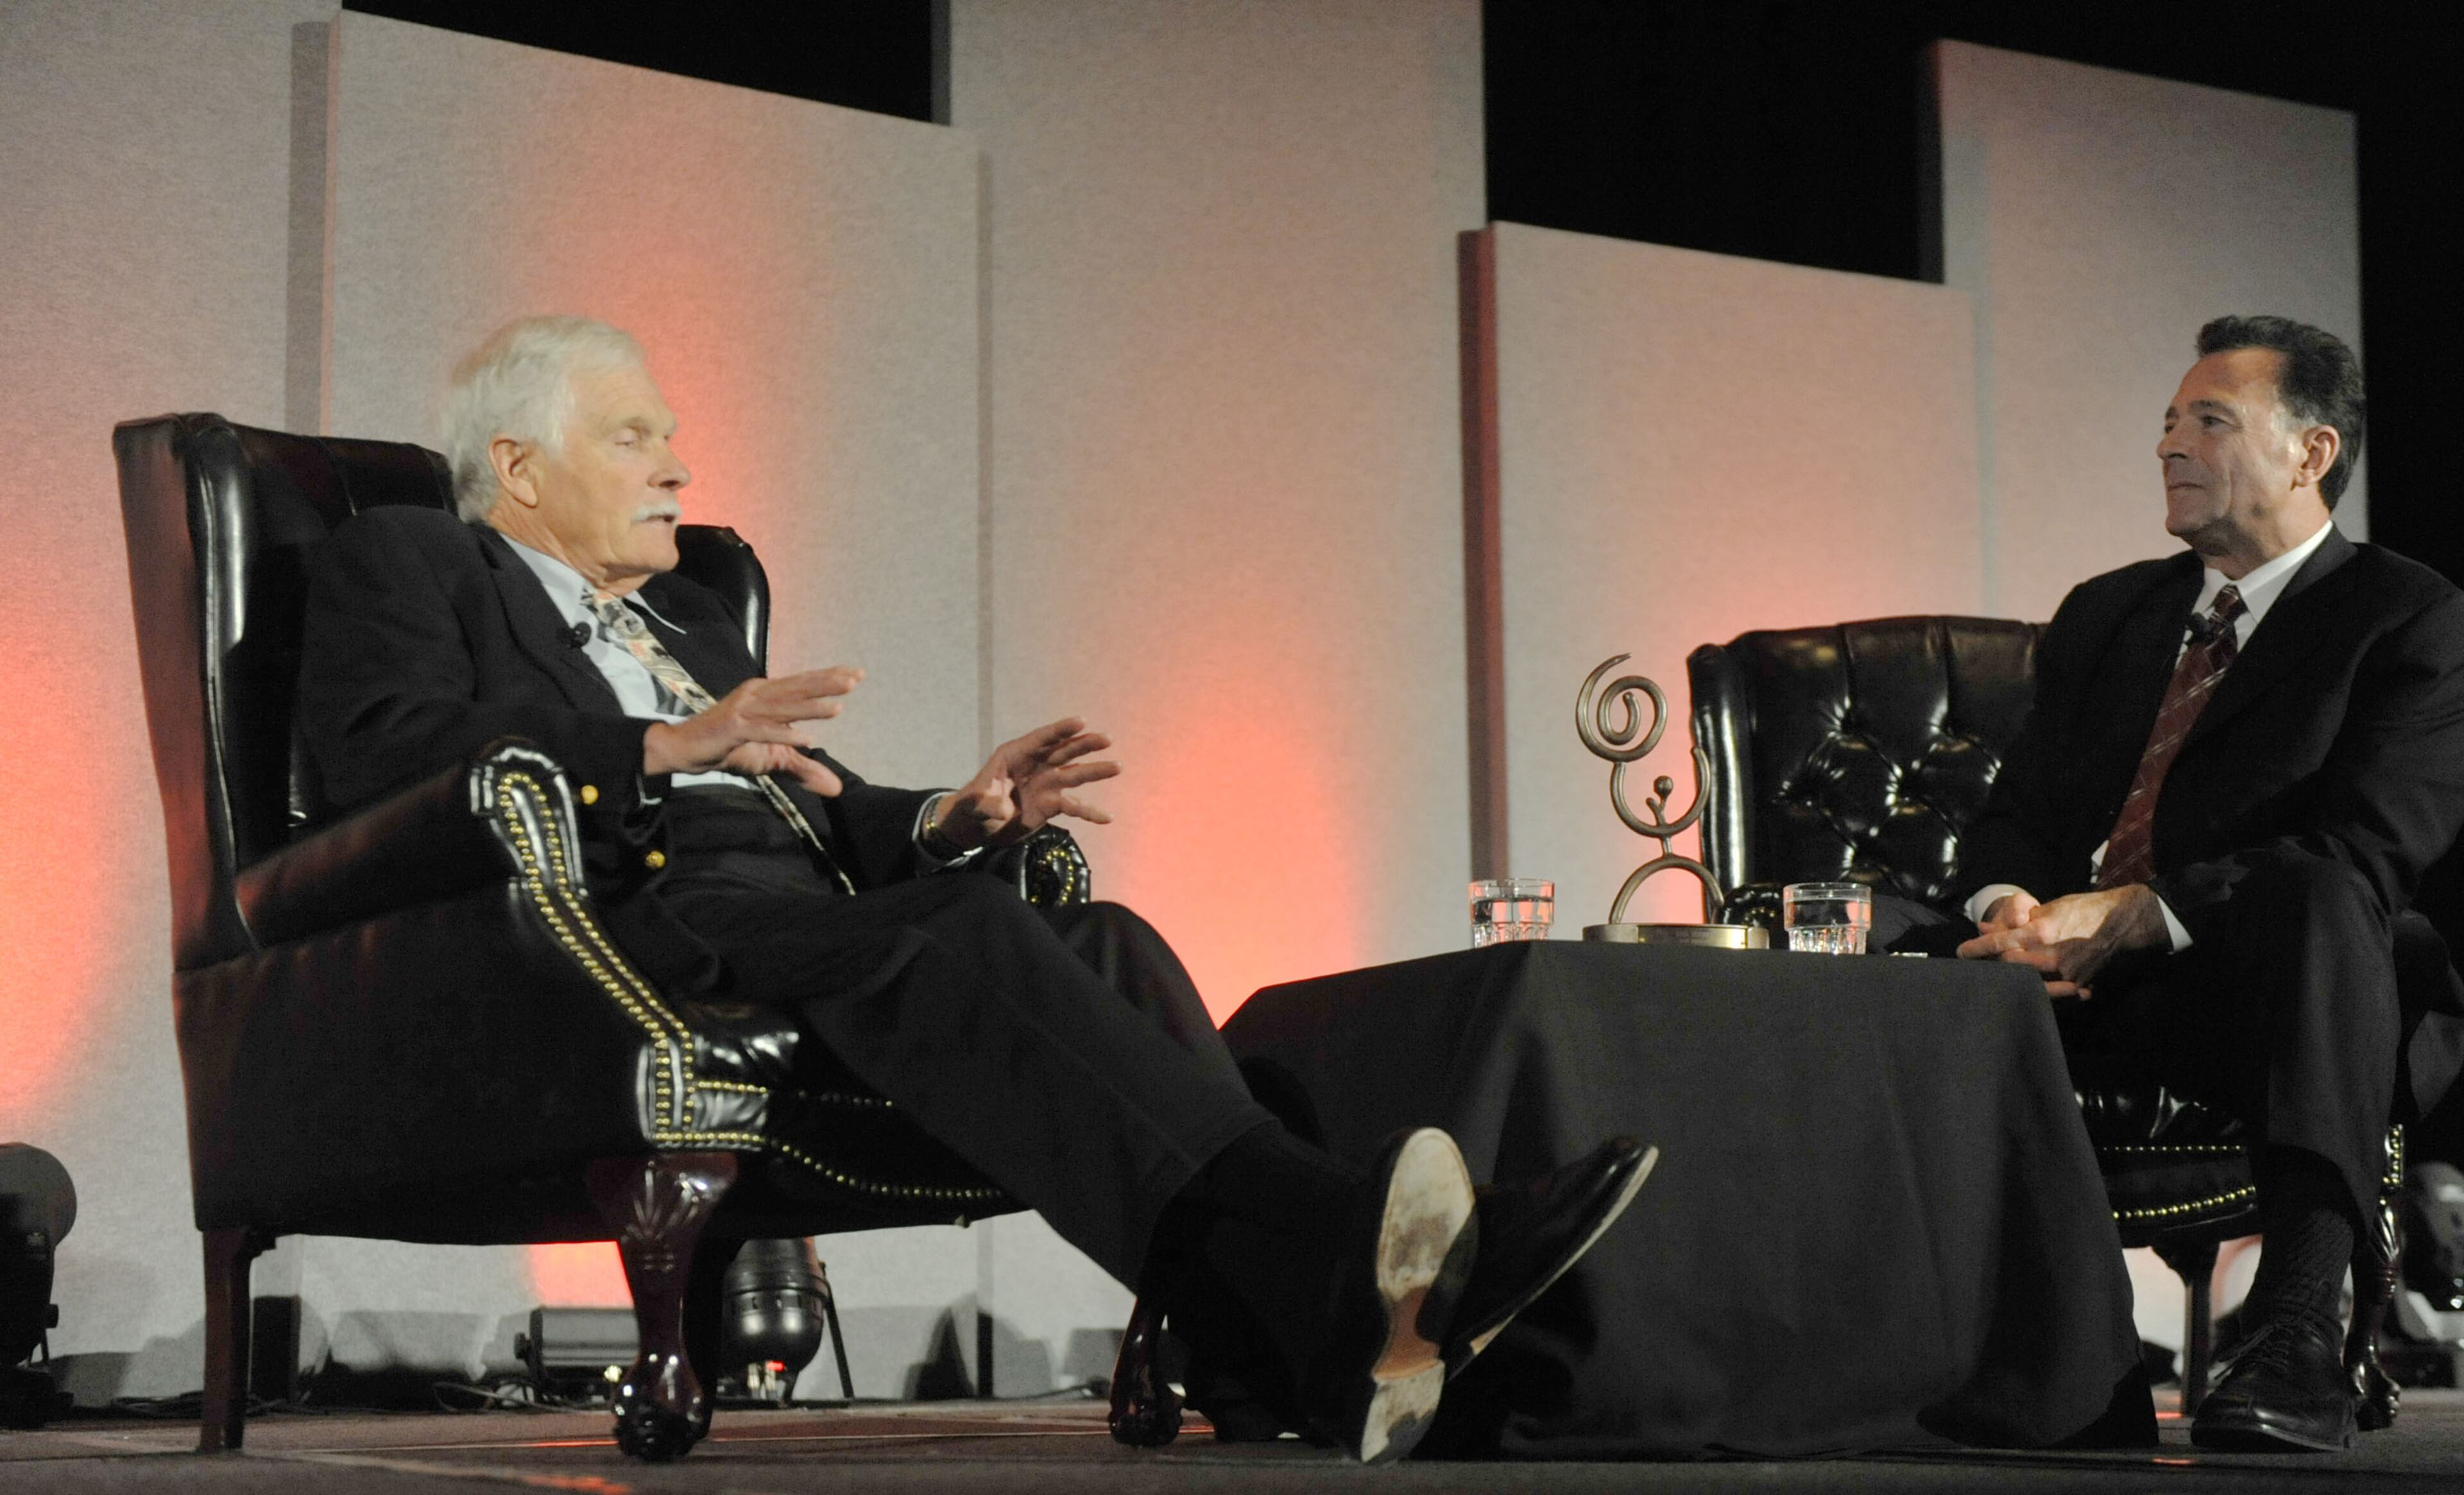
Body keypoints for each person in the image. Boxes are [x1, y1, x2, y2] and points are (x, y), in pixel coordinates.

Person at [294, 315, 1651, 1462]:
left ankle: (1304, 1359)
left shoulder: (688, 620)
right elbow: (381, 755)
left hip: (794, 916)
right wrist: (656, 744)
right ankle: (1352, 1228)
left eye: (669, 437)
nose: (678, 465)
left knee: (1102, 937)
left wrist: (950, 814)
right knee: (958, 930)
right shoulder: (416, 559)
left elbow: (817, 802)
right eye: (635, 436)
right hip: (620, 924)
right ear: (519, 469)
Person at [1910, 316, 2464, 1452]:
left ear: (2312, 452)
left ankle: (2300, 1327)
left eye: (2210, 420)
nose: (2171, 444)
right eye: (2169, 422)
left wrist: (2131, 917)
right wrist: (2011, 910)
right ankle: (2054, 1359)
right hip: (2065, 982)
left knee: (2328, 903)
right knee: (1875, 961)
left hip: (2257, 983)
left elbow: (2367, 847)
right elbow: (2014, 815)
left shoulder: (2411, 617)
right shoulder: (2111, 611)